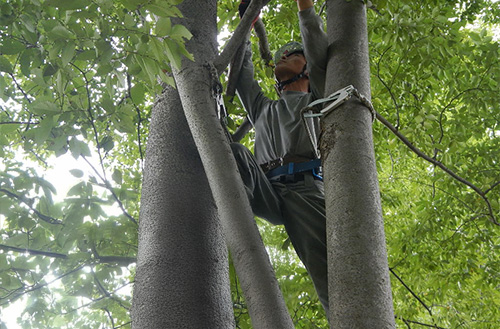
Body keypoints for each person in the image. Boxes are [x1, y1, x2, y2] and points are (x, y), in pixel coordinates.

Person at [232, 0, 330, 315]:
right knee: (231, 150)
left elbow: (318, 51)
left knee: (328, 271)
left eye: (293, 55)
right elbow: (243, 72)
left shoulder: (318, 101)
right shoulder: (264, 109)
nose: (284, 57)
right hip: (267, 190)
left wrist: (305, 9)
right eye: (281, 55)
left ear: (307, 71)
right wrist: (246, 24)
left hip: (304, 191)